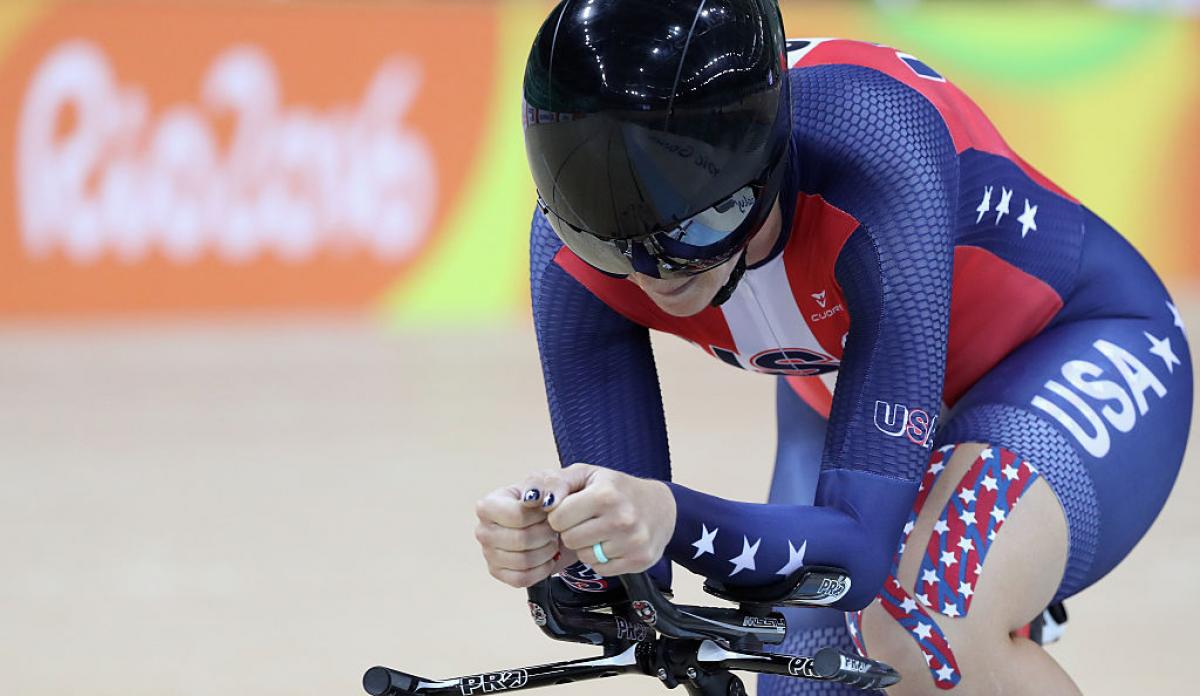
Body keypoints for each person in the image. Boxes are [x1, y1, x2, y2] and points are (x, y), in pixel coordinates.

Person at [472, 1, 1192, 694]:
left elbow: (857, 551)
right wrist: (563, 547)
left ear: (765, 166)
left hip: (1076, 340)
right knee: (808, 683)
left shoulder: (875, 141)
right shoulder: (576, 247)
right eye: (605, 240)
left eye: (694, 232)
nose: (653, 271)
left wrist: (668, 516)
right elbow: (630, 591)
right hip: (863, 386)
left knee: (927, 626)